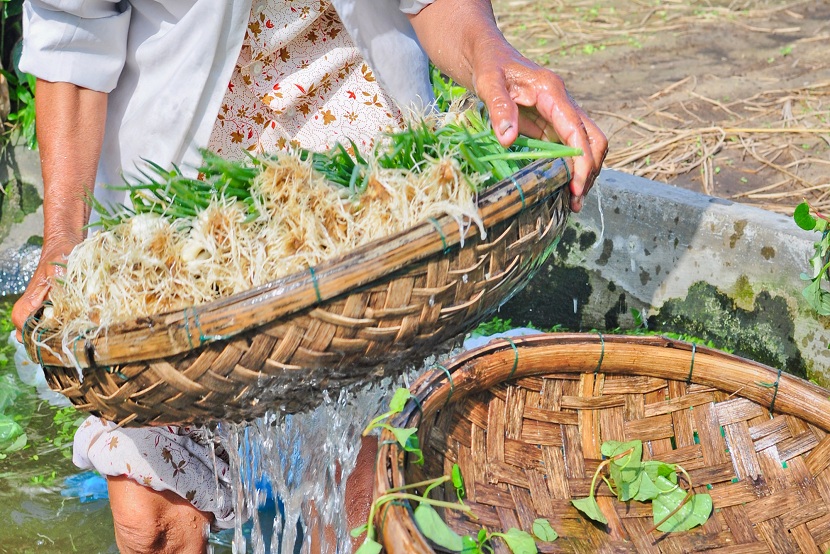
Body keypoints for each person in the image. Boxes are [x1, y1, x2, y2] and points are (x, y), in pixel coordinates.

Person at [12, 0, 607, 552]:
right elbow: (76, 29)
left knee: (363, 495)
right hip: (177, 202)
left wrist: (491, 57)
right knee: (150, 526)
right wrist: (65, 237)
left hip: (354, 168)